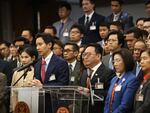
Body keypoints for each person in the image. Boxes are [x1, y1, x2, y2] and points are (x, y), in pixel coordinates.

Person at [80, 43, 115, 113]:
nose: (85, 57)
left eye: (88, 54)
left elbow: (110, 94)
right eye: (84, 55)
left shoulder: (108, 72)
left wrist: (91, 92)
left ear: (98, 56)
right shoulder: (84, 73)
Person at [104, 48, 139, 113]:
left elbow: (126, 105)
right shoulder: (114, 79)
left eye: (118, 60)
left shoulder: (132, 80)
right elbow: (107, 101)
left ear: (126, 61)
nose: (115, 64)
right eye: (114, 61)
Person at [10, 46, 38, 112]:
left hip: (32, 106)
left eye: (26, 57)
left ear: (33, 58)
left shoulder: (36, 71)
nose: (23, 60)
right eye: (22, 57)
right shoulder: (16, 72)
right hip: (18, 107)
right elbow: (13, 93)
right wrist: (13, 108)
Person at [133, 49, 150, 113]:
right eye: (141, 59)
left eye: (144, 58)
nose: (141, 62)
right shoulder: (144, 79)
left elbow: (147, 104)